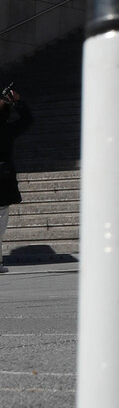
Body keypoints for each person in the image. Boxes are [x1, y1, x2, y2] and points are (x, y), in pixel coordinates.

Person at [0, 88, 32, 272]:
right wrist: (17, 101)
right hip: (3, 180)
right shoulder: (8, 130)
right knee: (1, 216)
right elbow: (27, 120)